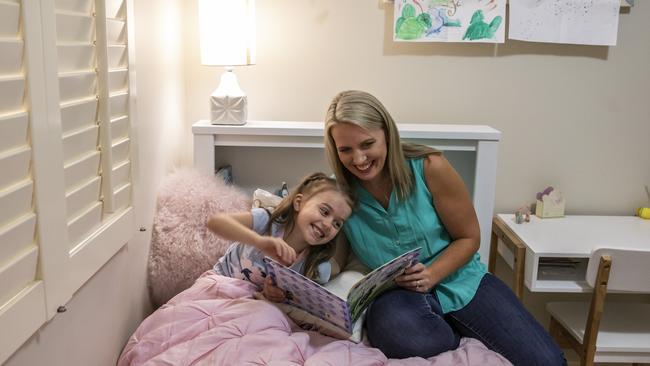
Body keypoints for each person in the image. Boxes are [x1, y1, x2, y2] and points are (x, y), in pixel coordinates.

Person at [323, 90, 566, 365]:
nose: (358, 159)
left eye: (367, 144)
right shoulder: (338, 193)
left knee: (548, 361)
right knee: (394, 334)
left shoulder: (429, 167)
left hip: (460, 280)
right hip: (397, 295)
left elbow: (469, 237)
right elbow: (337, 259)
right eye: (345, 150)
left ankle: (456, 325)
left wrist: (431, 274)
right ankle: (454, 337)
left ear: (387, 135)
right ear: (335, 149)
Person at [208, 172, 353, 302]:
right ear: (298, 203)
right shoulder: (268, 221)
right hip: (220, 286)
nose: (328, 225)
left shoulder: (315, 265)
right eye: (324, 211)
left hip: (251, 305)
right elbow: (215, 222)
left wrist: (274, 296)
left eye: (337, 224)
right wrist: (259, 241)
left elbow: (335, 269)